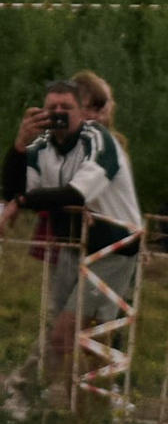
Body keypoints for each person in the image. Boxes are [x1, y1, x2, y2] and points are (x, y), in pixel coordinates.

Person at [1, 72, 144, 406]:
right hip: (70, 243)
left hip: (113, 246)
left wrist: (20, 203)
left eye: (66, 107)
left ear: (81, 112)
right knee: (63, 329)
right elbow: (16, 191)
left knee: (76, 330)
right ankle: (62, 404)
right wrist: (18, 148)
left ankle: (28, 393)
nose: (59, 114)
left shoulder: (99, 140)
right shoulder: (41, 148)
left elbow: (77, 194)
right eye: (52, 107)